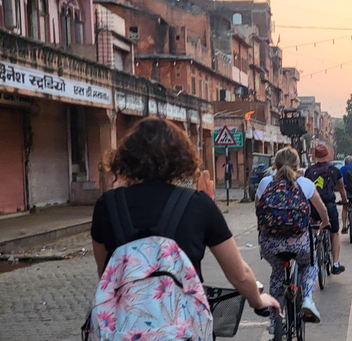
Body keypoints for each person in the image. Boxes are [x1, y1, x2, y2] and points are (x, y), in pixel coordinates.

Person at [90, 118, 279, 327]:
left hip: (121, 328)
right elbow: (239, 274)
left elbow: (104, 271)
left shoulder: (107, 205)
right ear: (181, 159)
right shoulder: (198, 205)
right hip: (183, 327)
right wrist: (258, 300)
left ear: (127, 157)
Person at [256, 147, 330, 325]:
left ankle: (275, 323)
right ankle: (308, 300)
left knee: (277, 273)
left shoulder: (265, 183)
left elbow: (258, 211)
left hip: (270, 245)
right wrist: (325, 223)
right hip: (299, 243)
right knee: (310, 264)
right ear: (297, 165)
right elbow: (322, 210)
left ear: (275, 164)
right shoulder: (305, 184)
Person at [305, 144, 348, 274]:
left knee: (313, 229)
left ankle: (313, 253)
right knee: (334, 233)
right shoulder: (335, 170)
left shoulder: (309, 171)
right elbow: (341, 189)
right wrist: (345, 202)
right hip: (329, 204)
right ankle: (335, 264)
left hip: (313, 206)